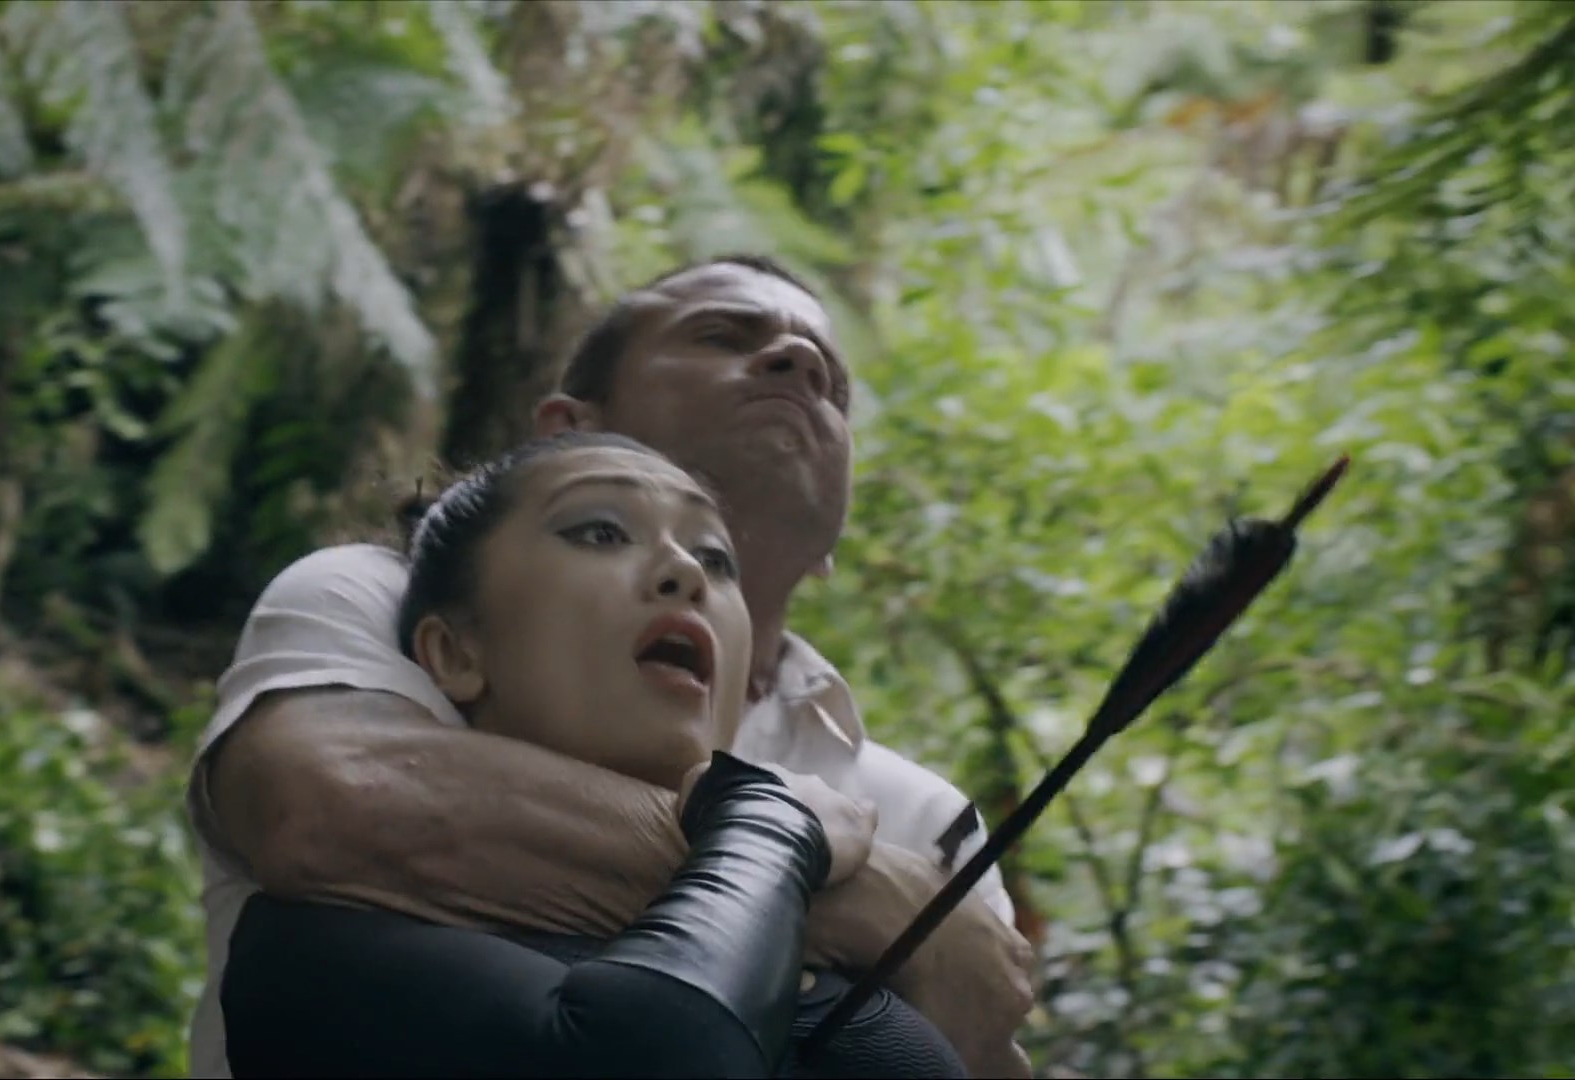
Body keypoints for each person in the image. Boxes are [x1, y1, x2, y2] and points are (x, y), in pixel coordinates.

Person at [188, 255, 1037, 1078]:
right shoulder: (382, 598)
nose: (796, 360)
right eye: (722, 335)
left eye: (831, 381)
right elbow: (330, 802)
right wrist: (850, 889)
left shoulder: (921, 816)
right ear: (571, 428)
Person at [222, 431, 971, 1077]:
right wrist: (770, 821)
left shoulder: (837, 965)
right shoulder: (320, 943)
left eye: (715, 558)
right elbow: (659, 1053)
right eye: (601, 532)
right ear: (456, 652)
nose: (684, 572)